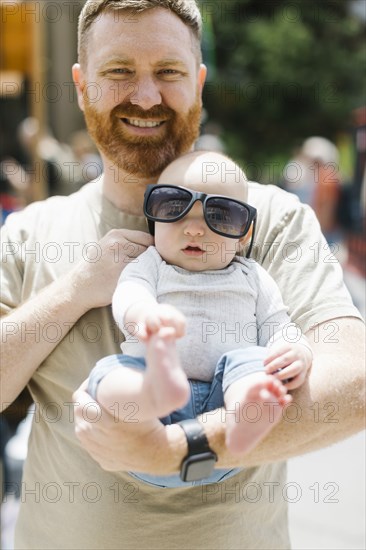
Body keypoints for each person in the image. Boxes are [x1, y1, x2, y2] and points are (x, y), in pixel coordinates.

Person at [0, 1, 364, 549]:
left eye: (168, 73)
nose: (146, 97)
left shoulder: (269, 218)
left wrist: (183, 448)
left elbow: (353, 385)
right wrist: (74, 292)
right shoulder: (29, 234)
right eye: (118, 72)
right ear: (80, 86)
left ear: (198, 82)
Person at [88, 150, 312, 488]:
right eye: (173, 208)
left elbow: (278, 325)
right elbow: (129, 293)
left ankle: (247, 413)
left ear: (244, 235)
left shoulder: (252, 276)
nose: (194, 229)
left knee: (252, 361)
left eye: (220, 216)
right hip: (144, 437)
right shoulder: (151, 265)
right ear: (153, 219)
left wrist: (296, 350)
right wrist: (144, 315)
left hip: (222, 427)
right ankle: (153, 394)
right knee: (107, 374)